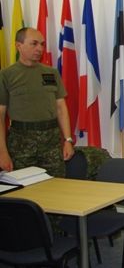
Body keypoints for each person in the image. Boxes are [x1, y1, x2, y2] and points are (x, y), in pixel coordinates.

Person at [0, 27, 74, 177]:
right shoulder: (6, 75)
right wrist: (3, 152)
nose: (40, 48)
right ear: (19, 45)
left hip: (51, 143)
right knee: (25, 186)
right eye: (34, 43)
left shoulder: (51, 73)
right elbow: (0, 116)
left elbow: (61, 108)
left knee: (57, 184)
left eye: (42, 44)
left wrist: (68, 140)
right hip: (21, 143)